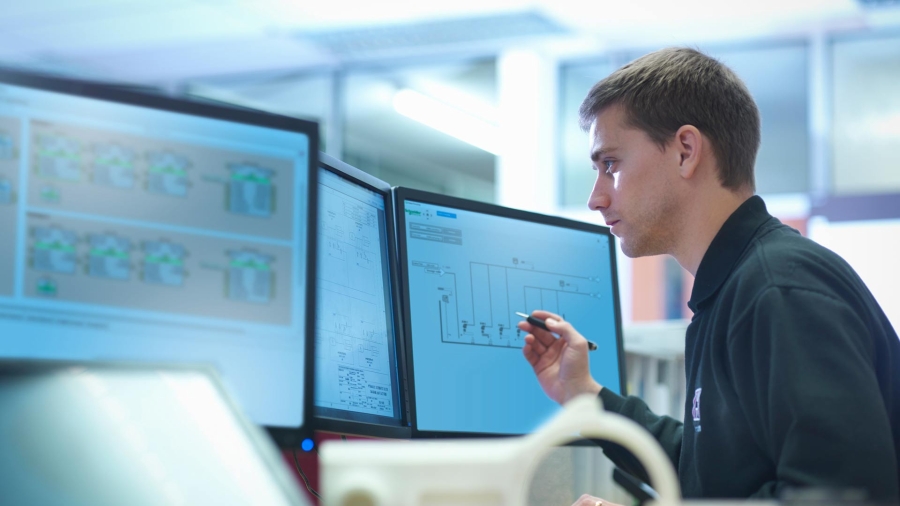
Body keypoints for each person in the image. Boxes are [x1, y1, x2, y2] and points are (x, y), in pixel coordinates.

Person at [518, 47, 900, 503]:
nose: (596, 198)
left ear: (685, 151)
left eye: (610, 165)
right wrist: (585, 394)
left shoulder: (778, 290)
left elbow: (838, 497)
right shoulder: (732, 291)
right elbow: (713, 476)